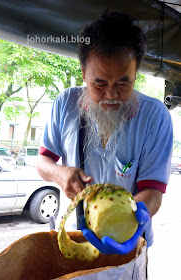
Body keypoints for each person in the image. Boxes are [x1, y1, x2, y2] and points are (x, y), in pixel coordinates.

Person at [37, 10, 173, 253]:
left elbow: (152, 190)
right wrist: (60, 174)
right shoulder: (65, 104)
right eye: (99, 83)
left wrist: (137, 216)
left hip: (130, 241)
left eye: (123, 83)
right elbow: (43, 161)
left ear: (135, 74)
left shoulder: (155, 116)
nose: (111, 94)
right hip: (76, 237)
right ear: (83, 74)